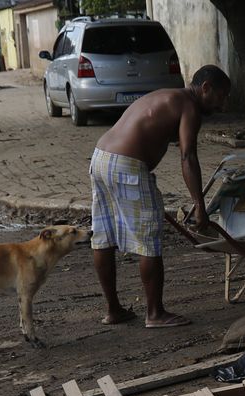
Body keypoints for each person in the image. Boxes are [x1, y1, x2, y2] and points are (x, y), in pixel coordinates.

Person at [89, 64, 231, 328]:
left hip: (101, 158)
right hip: (127, 166)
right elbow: (188, 156)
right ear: (206, 88)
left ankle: (113, 310)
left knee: (103, 235)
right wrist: (199, 205)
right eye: (221, 97)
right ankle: (154, 313)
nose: (222, 105)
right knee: (149, 237)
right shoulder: (189, 106)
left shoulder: (168, 95)